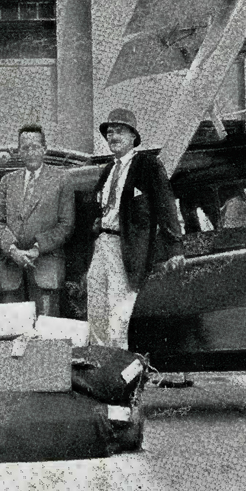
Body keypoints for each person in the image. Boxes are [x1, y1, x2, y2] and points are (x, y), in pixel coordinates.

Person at [87, 108, 185, 349]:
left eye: (119, 131)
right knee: (96, 306)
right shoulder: (108, 170)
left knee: (119, 314)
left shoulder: (148, 166)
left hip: (128, 246)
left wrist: (175, 248)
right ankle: (100, 367)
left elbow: (166, 206)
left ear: (133, 137)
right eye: (109, 132)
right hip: (103, 244)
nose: (113, 136)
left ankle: (119, 371)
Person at [0, 124, 75, 316]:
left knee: (45, 333)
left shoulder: (61, 179)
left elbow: (66, 225)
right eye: (25, 147)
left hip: (46, 266)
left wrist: (37, 249)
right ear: (19, 151)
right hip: (11, 269)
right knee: (11, 331)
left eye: (35, 146)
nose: (30, 152)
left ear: (44, 149)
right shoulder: (7, 181)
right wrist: (12, 250)